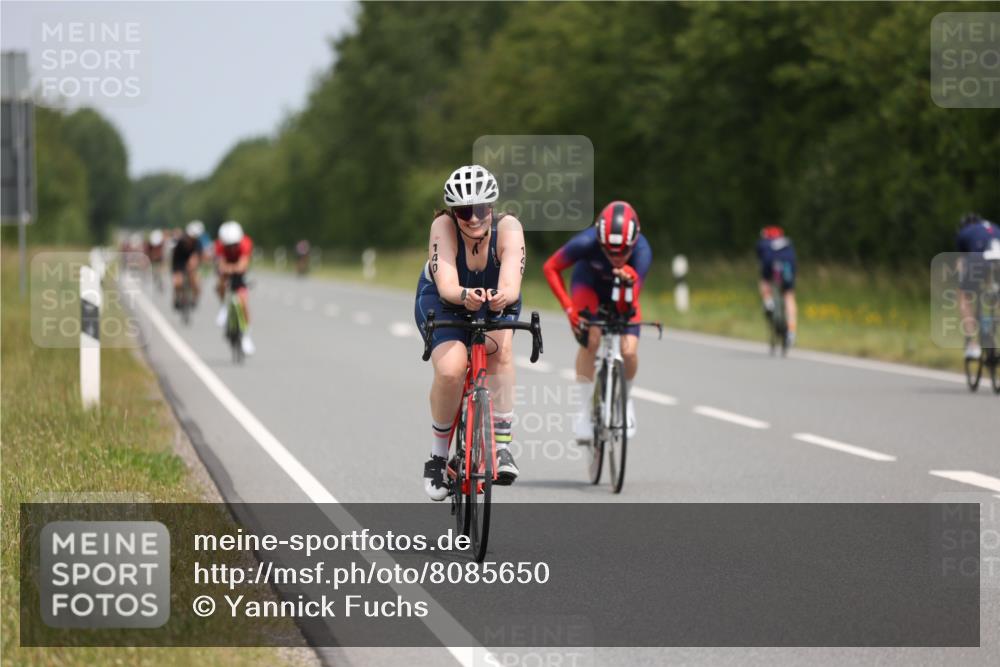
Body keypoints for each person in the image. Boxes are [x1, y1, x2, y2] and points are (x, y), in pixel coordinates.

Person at [414, 165, 526, 500]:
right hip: (444, 299)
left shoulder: (509, 228)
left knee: (499, 352)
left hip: (494, 299)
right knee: (451, 369)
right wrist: (465, 296)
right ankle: (437, 457)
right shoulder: (442, 227)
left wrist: (500, 297)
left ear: (491, 206)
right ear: (452, 212)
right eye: (464, 212)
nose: (474, 218)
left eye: (481, 209)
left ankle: (502, 447)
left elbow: (511, 285)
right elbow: (448, 285)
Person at [543, 201, 652, 441]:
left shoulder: (643, 252)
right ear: (599, 240)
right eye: (609, 251)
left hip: (623, 289)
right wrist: (569, 307)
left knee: (629, 351)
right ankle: (584, 410)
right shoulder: (585, 242)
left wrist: (630, 280)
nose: (616, 257)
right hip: (588, 284)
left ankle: (625, 402)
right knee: (591, 340)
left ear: (634, 243)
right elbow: (550, 267)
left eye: (623, 252)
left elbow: (629, 305)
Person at [956, 212, 1000, 359]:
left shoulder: (964, 233)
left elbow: (962, 263)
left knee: (964, 295)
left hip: (979, 261)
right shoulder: (995, 228)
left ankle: (971, 343)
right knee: (995, 292)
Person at [214, 220, 256, 355]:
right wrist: (227, 269)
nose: (232, 247)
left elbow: (243, 264)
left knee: (243, 302)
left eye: (235, 245)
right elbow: (221, 265)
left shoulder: (245, 243)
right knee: (220, 284)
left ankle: (247, 336)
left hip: (239, 272)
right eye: (229, 245)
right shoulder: (220, 246)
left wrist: (233, 268)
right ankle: (223, 307)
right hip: (226, 269)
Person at [756, 225, 798, 347]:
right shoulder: (787, 242)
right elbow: (794, 261)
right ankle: (791, 331)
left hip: (770, 266)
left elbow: (760, 259)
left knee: (764, 283)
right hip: (787, 268)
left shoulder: (763, 242)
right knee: (789, 296)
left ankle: (768, 301)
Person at [171, 221, 205, 311]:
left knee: (196, 282)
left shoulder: (198, 243)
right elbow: (175, 257)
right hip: (179, 262)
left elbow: (197, 256)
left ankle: (194, 299)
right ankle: (177, 297)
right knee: (178, 282)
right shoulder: (180, 242)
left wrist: (193, 265)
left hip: (192, 262)